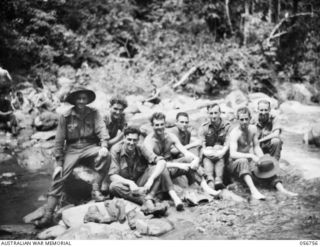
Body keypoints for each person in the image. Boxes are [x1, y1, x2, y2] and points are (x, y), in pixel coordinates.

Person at [35, 87, 112, 228]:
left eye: (84, 98)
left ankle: (96, 190)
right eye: (79, 98)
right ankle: (48, 214)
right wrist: (59, 162)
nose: (82, 101)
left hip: (90, 147)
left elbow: (102, 129)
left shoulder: (94, 113)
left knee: (107, 157)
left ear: (88, 100)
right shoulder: (65, 116)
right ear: (74, 100)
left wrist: (104, 146)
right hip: (72, 149)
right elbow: (59, 140)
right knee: (59, 175)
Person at [144, 112, 220, 210]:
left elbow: (185, 153)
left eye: (162, 124)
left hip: (171, 165)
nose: (160, 127)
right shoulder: (149, 141)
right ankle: (175, 199)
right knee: (163, 169)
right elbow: (158, 163)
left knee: (189, 159)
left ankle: (207, 188)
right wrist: (179, 165)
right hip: (155, 171)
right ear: (152, 126)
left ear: (165, 124)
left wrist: (195, 159)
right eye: (157, 125)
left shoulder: (170, 136)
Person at [228, 107, 297, 200]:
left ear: (250, 118)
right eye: (241, 119)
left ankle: (282, 189)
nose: (244, 122)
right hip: (234, 164)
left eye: (246, 119)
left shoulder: (253, 129)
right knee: (243, 160)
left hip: (247, 161)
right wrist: (251, 155)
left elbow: (256, 147)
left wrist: (262, 159)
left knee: (266, 163)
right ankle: (254, 191)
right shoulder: (234, 133)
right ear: (237, 120)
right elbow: (232, 154)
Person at [109, 126, 168, 215]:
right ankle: (148, 201)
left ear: (138, 140)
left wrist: (151, 179)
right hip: (127, 186)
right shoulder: (115, 150)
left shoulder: (141, 147)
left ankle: (149, 199)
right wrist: (129, 183)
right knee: (113, 186)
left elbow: (162, 162)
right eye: (129, 139)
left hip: (141, 183)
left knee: (158, 169)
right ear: (124, 138)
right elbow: (112, 176)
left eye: (135, 140)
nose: (131, 143)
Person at [199, 103, 231, 190]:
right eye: (211, 113)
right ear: (208, 114)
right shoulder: (204, 127)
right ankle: (211, 180)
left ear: (220, 113)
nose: (213, 116)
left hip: (223, 155)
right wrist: (209, 152)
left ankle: (218, 179)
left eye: (216, 113)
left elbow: (228, 143)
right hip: (208, 156)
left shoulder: (227, 125)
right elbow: (203, 145)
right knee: (206, 156)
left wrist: (221, 151)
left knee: (219, 151)